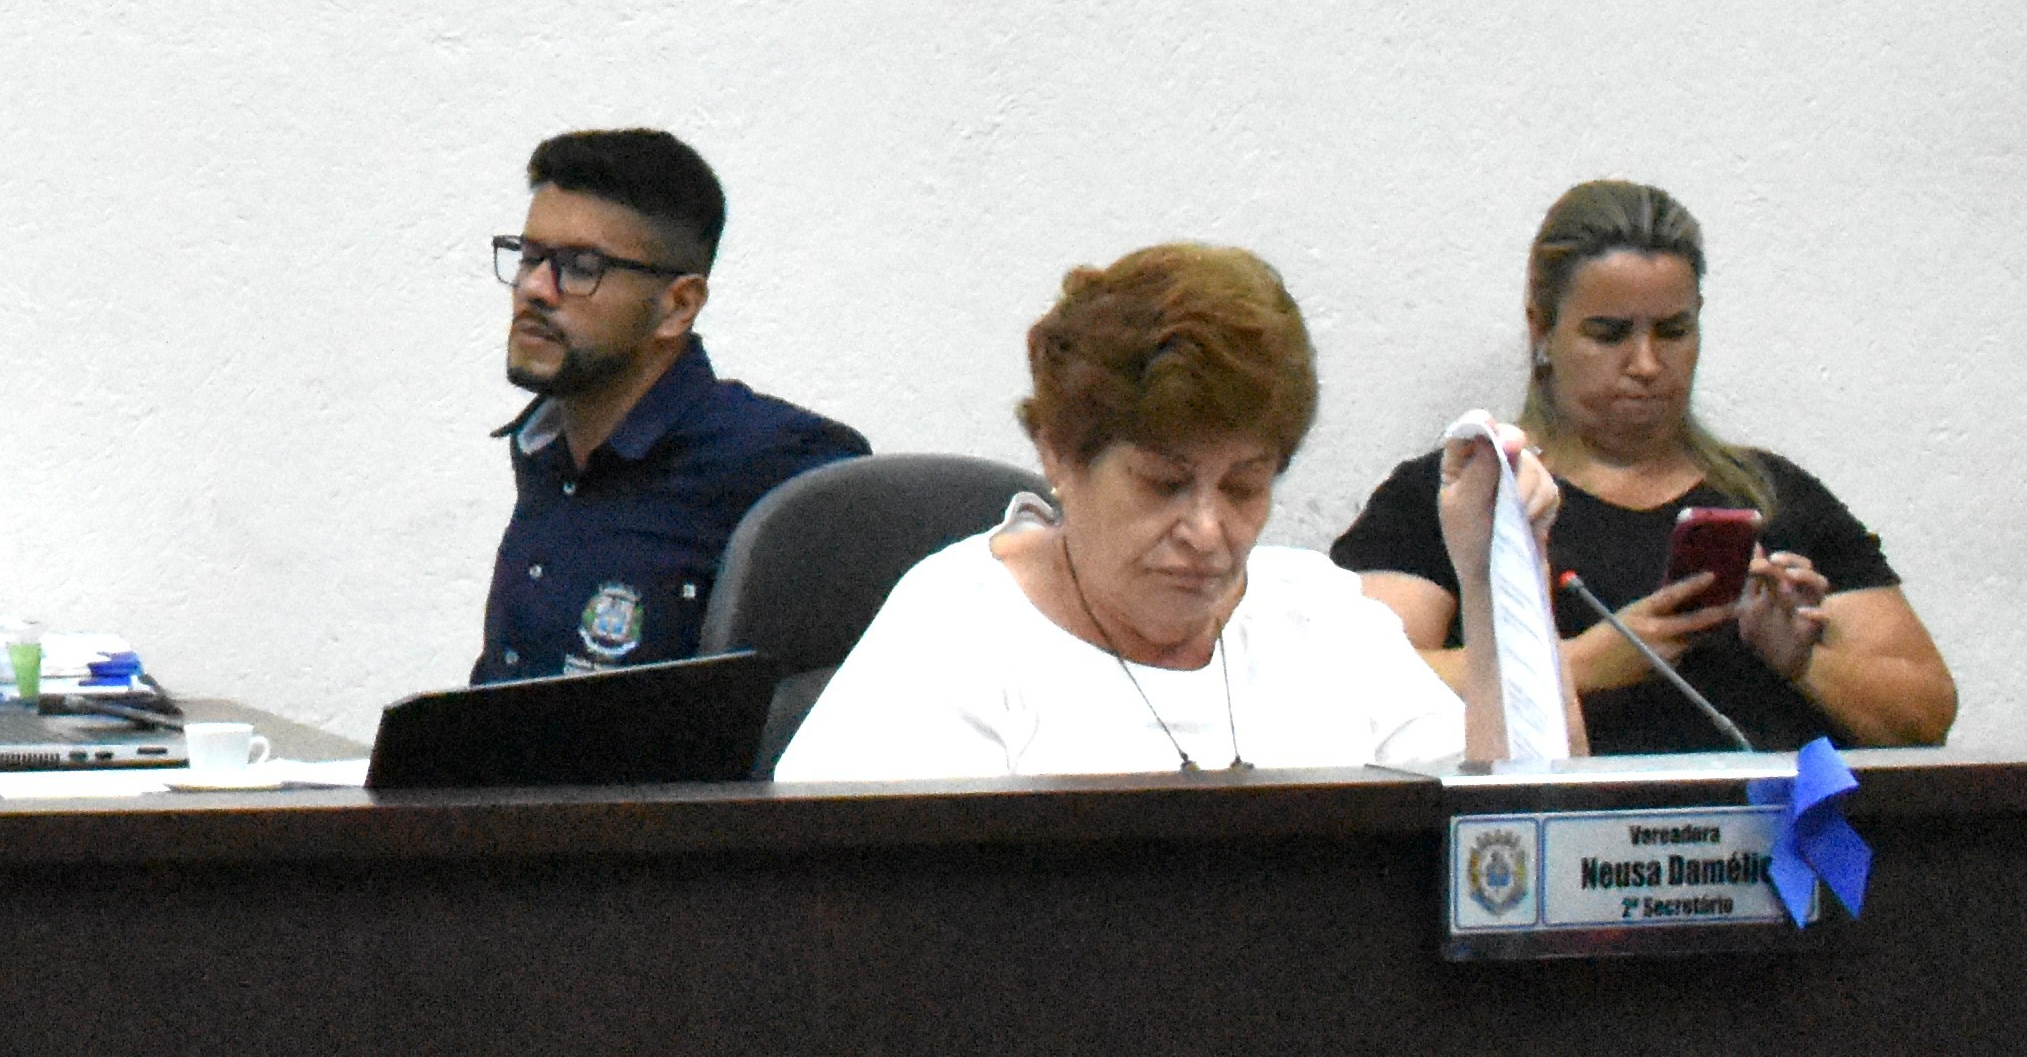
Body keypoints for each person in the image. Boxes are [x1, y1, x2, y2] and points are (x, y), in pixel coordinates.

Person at [775, 244, 1570, 781]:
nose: (1208, 532)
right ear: (1059, 454)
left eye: (1244, 487)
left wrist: (1496, 577)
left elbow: (1513, 851)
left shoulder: (1322, 622)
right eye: (1162, 484)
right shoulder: (957, 633)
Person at [1334, 180, 1958, 754]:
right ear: (1541, 329)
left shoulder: (1773, 498)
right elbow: (1351, 686)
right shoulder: (1466, 494)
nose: (1646, 364)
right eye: (1609, 334)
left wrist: (1802, 661)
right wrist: (1582, 663)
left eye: (1673, 331)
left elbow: (1928, 712)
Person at [476, 129, 866, 682]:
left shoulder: (779, 462)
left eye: (581, 266)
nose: (535, 288)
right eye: (531, 256)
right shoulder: (546, 450)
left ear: (678, 306)